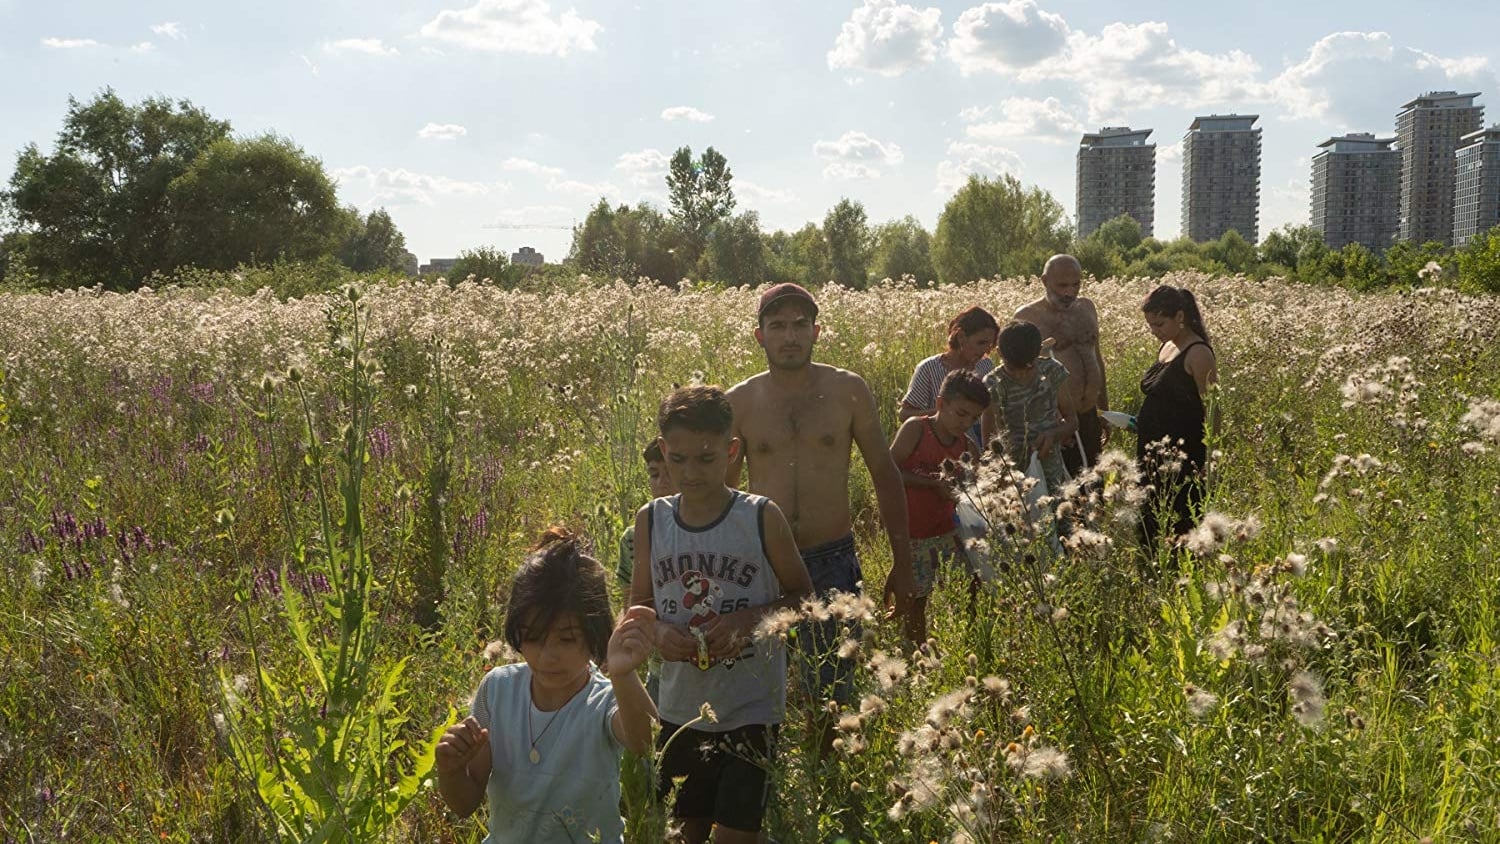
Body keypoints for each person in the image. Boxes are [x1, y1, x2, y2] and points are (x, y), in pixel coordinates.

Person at [725, 282, 915, 737]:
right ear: (759, 335)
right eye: (777, 326)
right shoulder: (739, 401)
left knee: (831, 695)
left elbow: (885, 475)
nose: (789, 336)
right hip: (762, 563)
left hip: (831, 560)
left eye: (799, 325)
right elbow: (724, 496)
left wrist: (903, 563)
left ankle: (829, 782)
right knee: (755, 694)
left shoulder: (847, 390)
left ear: (816, 331)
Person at [629, 385, 813, 844]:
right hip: (679, 712)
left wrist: (745, 622)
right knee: (680, 833)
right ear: (662, 450)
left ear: (732, 451)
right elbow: (638, 609)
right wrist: (659, 632)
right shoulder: (651, 521)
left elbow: (802, 598)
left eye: (706, 459)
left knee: (736, 835)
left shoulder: (759, 517)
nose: (690, 473)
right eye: (678, 459)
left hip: (751, 710)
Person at [435, 529, 657, 844]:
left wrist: (622, 673)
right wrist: (450, 769)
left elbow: (646, 742)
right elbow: (464, 804)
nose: (548, 655)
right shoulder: (498, 691)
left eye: (567, 639)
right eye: (534, 637)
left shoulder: (603, 700)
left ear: (595, 634)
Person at [890, 369, 988, 642]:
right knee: (917, 598)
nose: (966, 422)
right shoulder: (916, 429)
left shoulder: (967, 445)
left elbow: (978, 485)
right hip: (914, 533)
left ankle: (969, 642)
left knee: (971, 585)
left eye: (974, 418)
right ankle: (917, 651)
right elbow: (889, 470)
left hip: (951, 531)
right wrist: (932, 484)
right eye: (961, 413)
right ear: (941, 403)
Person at [1135, 285, 1218, 550]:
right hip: (1152, 454)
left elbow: (1213, 410)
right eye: (1150, 325)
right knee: (1150, 517)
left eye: (1159, 324)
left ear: (1180, 317)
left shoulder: (1199, 354)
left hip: (1184, 456)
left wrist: (1212, 460)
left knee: (1182, 522)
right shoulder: (1167, 346)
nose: (1154, 331)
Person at [1014, 254, 1110, 477]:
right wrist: (1051, 420)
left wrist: (1103, 409)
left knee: (1094, 490)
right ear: (1044, 281)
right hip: (1057, 426)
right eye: (1062, 285)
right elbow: (1017, 374)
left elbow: (1097, 358)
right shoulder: (1027, 317)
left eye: (1076, 284)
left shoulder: (1087, 308)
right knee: (1065, 496)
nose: (1070, 292)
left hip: (1089, 417)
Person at [981, 321, 1077, 503]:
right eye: (1013, 368)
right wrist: (999, 476)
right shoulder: (993, 384)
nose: (1021, 375)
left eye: (1029, 366)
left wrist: (1053, 435)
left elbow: (1072, 421)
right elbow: (990, 442)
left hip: (1052, 472)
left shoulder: (1052, 371)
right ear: (999, 354)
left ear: (1038, 353)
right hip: (1013, 476)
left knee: (1060, 520)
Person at [898, 306, 999, 439]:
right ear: (962, 337)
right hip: (939, 441)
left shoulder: (986, 365)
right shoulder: (929, 368)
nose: (985, 350)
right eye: (981, 343)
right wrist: (944, 414)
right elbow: (905, 414)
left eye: (990, 345)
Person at [615, 442, 677, 589]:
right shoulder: (634, 536)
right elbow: (630, 602)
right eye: (654, 474)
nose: (662, 482)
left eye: (670, 473)